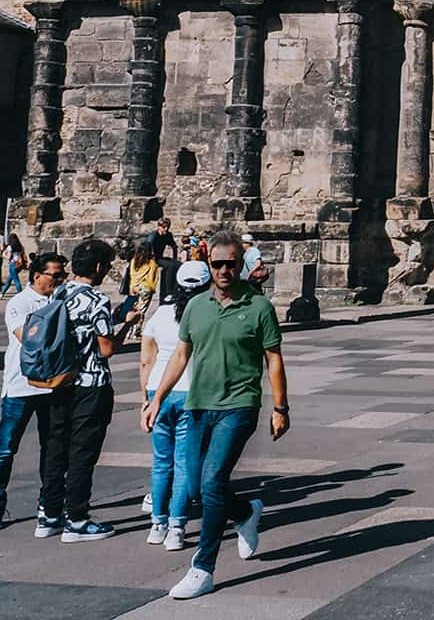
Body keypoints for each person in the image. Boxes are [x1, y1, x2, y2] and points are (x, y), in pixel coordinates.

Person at [143, 230, 290, 601]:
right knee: (195, 485)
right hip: (198, 404)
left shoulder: (259, 308)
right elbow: (180, 355)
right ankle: (244, 512)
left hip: (239, 405)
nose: (224, 270)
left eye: (231, 264)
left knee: (211, 481)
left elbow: (273, 359)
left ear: (242, 265)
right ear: (208, 264)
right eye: (218, 264)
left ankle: (202, 567)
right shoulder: (196, 307)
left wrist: (280, 407)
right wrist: (157, 397)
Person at [38, 238, 132, 542]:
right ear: (100, 267)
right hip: (91, 384)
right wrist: (128, 324)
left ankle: (49, 514)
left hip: (60, 380)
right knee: (82, 452)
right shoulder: (96, 298)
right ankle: (77, 520)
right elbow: (106, 349)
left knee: (56, 447)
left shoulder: (58, 292)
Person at [0, 252, 68, 531]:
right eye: (55, 275)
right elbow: (30, 340)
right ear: (36, 276)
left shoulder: (60, 299)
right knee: (6, 449)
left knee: (52, 450)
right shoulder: (20, 303)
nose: (59, 280)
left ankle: (49, 504)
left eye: (62, 275)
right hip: (21, 385)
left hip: (52, 386)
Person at [140, 261, 211, 551]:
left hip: (159, 389)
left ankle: (158, 524)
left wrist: (147, 399)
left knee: (161, 462)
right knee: (183, 463)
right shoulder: (206, 313)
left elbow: (146, 359)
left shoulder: (159, 315)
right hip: (191, 392)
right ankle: (177, 527)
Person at [125, 238, 161, 338]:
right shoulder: (151, 264)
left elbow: (131, 274)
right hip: (145, 288)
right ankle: (136, 332)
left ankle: (128, 330)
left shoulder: (133, 261)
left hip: (134, 287)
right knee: (141, 311)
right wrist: (152, 289)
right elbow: (152, 279)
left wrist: (133, 286)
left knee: (132, 309)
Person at [1, 233, 29, 297]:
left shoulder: (10, 247)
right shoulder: (20, 246)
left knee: (16, 280)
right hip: (19, 264)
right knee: (9, 279)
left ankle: (20, 294)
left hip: (13, 263)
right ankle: (2, 293)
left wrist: (4, 255)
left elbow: (9, 256)